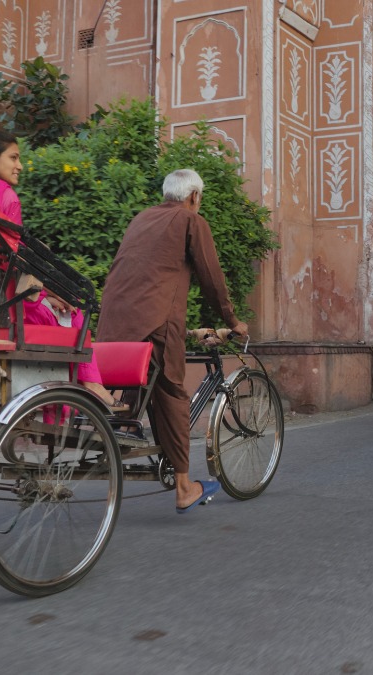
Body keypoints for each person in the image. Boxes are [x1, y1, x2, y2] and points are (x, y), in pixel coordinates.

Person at [96, 169, 248, 514]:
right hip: (156, 323)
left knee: (136, 384)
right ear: (194, 196)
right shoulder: (191, 221)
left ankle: (117, 446)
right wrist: (232, 321)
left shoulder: (142, 218)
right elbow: (211, 277)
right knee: (172, 392)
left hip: (113, 321)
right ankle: (183, 486)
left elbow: (146, 278)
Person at [0, 129, 114, 406]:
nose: (20, 166)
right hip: (2, 308)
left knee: (55, 303)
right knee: (75, 312)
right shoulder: (2, 194)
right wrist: (50, 292)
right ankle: (91, 385)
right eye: (14, 157)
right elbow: (12, 258)